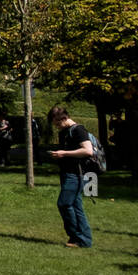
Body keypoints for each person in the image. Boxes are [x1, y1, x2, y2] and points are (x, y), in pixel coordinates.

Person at [48, 106, 94, 248]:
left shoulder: (78, 130)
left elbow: (88, 151)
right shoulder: (64, 132)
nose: (56, 126)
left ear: (64, 118)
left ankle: (75, 237)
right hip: (67, 172)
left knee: (64, 203)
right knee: (76, 206)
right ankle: (84, 240)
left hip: (76, 174)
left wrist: (64, 154)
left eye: (57, 123)